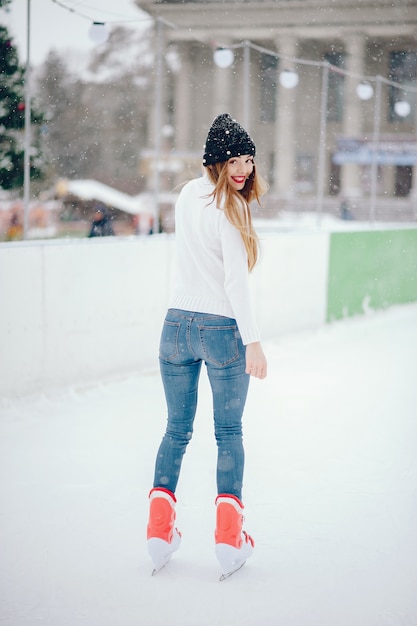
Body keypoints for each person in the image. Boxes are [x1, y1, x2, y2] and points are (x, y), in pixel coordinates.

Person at [146, 113, 269, 579]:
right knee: (228, 432)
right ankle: (229, 538)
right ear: (215, 161)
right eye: (235, 159)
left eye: (249, 160)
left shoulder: (185, 195)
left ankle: (159, 532)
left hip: (175, 324)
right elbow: (236, 283)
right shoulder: (231, 207)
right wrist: (252, 343)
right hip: (221, 328)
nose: (243, 169)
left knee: (176, 430)